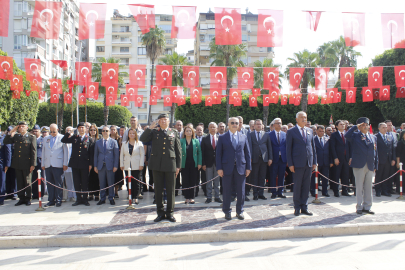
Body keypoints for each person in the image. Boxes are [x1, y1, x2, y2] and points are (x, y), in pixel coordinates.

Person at [140, 114, 181, 222]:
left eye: (165, 119)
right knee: (158, 191)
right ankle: (160, 212)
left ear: (169, 121)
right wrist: (150, 127)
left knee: (171, 190)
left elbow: (178, 151)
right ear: (158, 121)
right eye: (161, 120)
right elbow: (142, 138)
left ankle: (170, 213)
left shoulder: (174, 132)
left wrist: (178, 166)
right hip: (157, 165)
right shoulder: (154, 132)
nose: (163, 121)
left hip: (170, 164)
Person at [216, 117, 251, 220]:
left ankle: (240, 211)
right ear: (228, 124)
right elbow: (218, 154)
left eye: (236, 123)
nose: (235, 124)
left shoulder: (243, 137)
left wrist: (248, 167)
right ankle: (227, 211)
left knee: (241, 191)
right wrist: (219, 168)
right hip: (226, 168)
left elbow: (247, 153)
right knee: (226, 190)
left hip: (241, 168)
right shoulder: (222, 137)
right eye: (232, 123)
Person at [345, 117, 378, 215]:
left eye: (366, 125)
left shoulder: (373, 137)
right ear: (359, 126)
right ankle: (359, 206)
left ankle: (367, 207)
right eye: (363, 125)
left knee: (368, 187)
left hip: (370, 164)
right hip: (359, 164)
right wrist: (355, 127)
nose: (365, 126)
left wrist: (376, 164)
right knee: (359, 187)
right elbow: (347, 135)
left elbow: (376, 152)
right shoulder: (355, 135)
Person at [286, 112, 317, 216]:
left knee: (306, 186)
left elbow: (313, 147)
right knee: (298, 186)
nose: (304, 119)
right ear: (297, 119)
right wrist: (290, 164)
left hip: (308, 163)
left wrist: (314, 162)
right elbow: (288, 149)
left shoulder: (309, 131)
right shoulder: (291, 131)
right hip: (297, 164)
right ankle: (297, 207)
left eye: (305, 117)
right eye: (302, 117)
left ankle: (305, 206)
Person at [4, 121, 37, 206]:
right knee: (20, 182)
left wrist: (33, 164)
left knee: (27, 182)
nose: (21, 128)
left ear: (27, 127)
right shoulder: (16, 136)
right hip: (17, 163)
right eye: (20, 126)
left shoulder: (31, 137)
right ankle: (21, 198)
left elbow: (34, 151)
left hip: (27, 163)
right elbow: (6, 141)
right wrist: (12, 131)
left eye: (23, 126)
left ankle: (28, 198)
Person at [61, 122, 94, 206]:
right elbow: (63, 140)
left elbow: (91, 153)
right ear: (77, 129)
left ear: (86, 129)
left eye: (83, 127)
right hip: (75, 163)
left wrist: (90, 164)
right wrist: (69, 131)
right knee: (76, 182)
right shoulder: (74, 137)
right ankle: (78, 199)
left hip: (85, 164)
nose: (81, 129)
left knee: (84, 182)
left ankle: (85, 199)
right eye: (79, 128)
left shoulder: (89, 138)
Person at [41, 124, 69, 207]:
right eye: (51, 131)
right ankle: (51, 200)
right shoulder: (46, 138)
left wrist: (65, 163)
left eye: (54, 131)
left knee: (58, 183)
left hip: (58, 164)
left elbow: (66, 152)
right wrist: (43, 163)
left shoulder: (62, 137)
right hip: (48, 164)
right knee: (49, 183)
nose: (53, 133)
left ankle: (59, 199)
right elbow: (43, 151)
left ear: (57, 129)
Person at [94, 126, 119, 205]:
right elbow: (95, 155)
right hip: (101, 166)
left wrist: (115, 165)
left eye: (107, 131)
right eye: (103, 131)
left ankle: (111, 198)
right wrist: (95, 166)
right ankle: (102, 198)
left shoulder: (114, 142)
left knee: (111, 183)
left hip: (110, 166)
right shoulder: (98, 142)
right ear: (102, 132)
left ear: (109, 132)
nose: (105, 132)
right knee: (102, 183)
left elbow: (116, 155)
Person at [248, 119, 272, 200]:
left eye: (260, 124)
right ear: (254, 126)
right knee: (254, 177)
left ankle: (261, 193)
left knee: (262, 177)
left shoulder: (266, 134)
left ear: (262, 126)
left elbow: (269, 147)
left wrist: (270, 158)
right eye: (257, 124)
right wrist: (249, 157)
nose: (258, 125)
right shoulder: (250, 135)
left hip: (264, 159)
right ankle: (255, 194)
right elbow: (249, 147)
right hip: (254, 159)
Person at [120, 128, 144, 205]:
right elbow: (121, 155)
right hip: (127, 165)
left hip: (137, 165)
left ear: (135, 134)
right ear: (128, 134)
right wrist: (121, 164)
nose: (131, 135)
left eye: (133, 133)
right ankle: (130, 196)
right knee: (128, 182)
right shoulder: (124, 143)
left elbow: (142, 155)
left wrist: (141, 164)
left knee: (136, 182)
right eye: (130, 133)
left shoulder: (139, 143)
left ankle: (136, 197)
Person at [180, 125, 202, 204]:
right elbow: (178, 154)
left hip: (194, 164)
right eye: (187, 131)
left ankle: (192, 197)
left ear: (192, 132)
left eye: (190, 131)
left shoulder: (195, 141)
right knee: (185, 181)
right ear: (184, 132)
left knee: (193, 181)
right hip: (184, 164)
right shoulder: (181, 141)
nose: (188, 132)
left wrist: (199, 163)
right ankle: (186, 197)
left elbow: (199, 152)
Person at [201, 122, 222, 204]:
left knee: (217, 181)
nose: (212, 128)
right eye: (211, 127)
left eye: (214, 127)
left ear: (216, 129)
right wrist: (203, 163)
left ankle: (217, 197)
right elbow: (202, 152)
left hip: (218, 164)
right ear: (208, 128)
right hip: (208, 163)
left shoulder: (220, 138)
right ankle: (209, 197)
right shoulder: (204, 139)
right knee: (209, 181)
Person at [330, 120, 352, 197]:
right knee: (336, 175)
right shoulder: (334, 135)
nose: (343, 125)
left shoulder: (347, 134)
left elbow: (349, 147)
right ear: (336, 126)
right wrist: (335, 158)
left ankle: (345, 190)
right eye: (341, 124)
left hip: (346, 158)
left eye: (343, 124)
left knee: (345, 175)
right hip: (338, 159)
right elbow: (332, 147)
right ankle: (336, 191)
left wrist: (350, 157)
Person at [375, 122, 396, 197]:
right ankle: (378, 190)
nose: (385, 129)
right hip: (380, 160)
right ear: (379, 128)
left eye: (386, 127)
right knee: (379, 175)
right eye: (383, 127)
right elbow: (375, 149)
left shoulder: (389, 137)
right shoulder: (376, 137)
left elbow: (392, 149)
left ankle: (384, 190)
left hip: (388, 160)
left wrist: (393, 159)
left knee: (386, 176)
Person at [311, 125, 332, 197]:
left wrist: (330, 161)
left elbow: (330, 151)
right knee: (314, 178)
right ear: (316, 131)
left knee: (325, 178)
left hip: (325, 162)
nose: (322, 132)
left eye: (323, 131)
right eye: (320, 131)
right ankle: (313, 191)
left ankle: (325, 191)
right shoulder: (313, 139)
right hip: (316, 162)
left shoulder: (327, 139)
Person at [268, 118, 287, 199]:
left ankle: (280, 192)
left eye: (280, 123)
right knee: (273, 176)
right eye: (277, 123)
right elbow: (268, 147)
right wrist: (269, 158)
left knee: (281, 176)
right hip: (273, 158)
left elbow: (286, 147)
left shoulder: (285, 134)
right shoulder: (269, 134)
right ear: (274, 125)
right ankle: (273, 192)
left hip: (282, 158)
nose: (279, 124)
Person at [31, 125, 45, 200]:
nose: (35, 132)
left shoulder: (43, 140)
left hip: (40, 161)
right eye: (34, 131)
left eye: (36, 131)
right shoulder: (31, 139)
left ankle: (41, 193)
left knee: (41, 178)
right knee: (33, 179)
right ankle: (35, 194)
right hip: (33, 162)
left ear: (40, 131)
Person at [63, 126, 76, 202]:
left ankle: (75, 195)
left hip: (73, 163)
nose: (69, 132)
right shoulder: (64, 141)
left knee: (74, 180)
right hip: (66, 163)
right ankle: (69, 195)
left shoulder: (75, 139)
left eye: (70, 131)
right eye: (67, 131)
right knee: (68, 181)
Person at [88, 124, 100, 201]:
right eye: (91, 130)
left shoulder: (99, 139)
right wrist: (89, 163)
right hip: (89, 162)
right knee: (89, 179)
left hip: (97, 162)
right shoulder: (86, 139)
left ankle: (96, 194)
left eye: (94, 130)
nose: (93, 131)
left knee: (96, 179)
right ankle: (90, 194)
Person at [0, 133, 11, 205]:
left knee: (1, 182)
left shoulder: (4, 139)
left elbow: (8, 151)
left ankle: (1, 199)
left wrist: (7, 164)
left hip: (1, 163)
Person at [195, 125, 206, 197]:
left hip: (205, 161)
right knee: (196, 178)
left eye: (200, 130)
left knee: (204, 178)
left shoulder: (206, 138)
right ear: (195, 131)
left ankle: (205, 191)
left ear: (203, 131)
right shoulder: (193, 139)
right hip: (196, 161)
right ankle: (195, 192)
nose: (199, 131)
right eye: (198, 130)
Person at [174, 120, 184, 195]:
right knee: (176, 176)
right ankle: (176, 191)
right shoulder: (172, 134)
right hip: (175, 159)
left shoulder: (186, 133)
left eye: (180, 125)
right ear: (175, 126)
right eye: (178, 125)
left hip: (184, 159)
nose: (179, 126)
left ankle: (184, 191)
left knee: (184, 176)